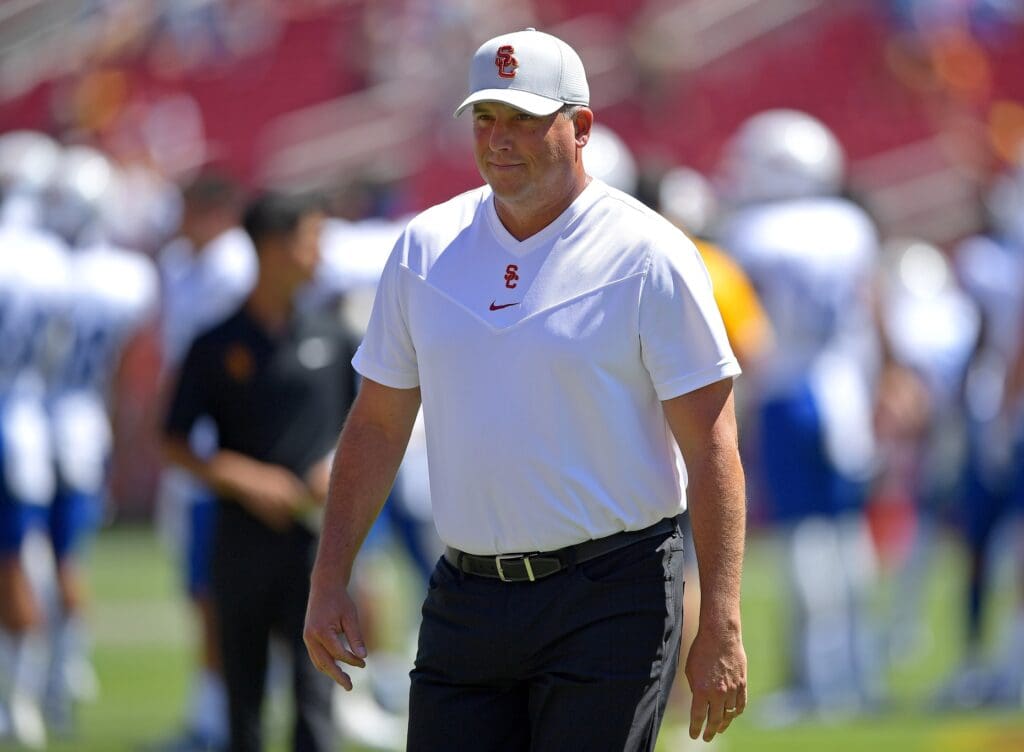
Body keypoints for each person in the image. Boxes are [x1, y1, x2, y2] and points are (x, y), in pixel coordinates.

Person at [304, 27, 748, 750]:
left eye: (524, 120)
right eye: (485, 118)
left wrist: (721, 620)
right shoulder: (424, 247)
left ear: (581, 129)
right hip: (467, 591)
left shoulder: (650, 254)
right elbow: (379, 423)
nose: (499, 139)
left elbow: (711, 441)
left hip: (612, 588)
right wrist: (330, 577)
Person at [163, 192, 358, 752]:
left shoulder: (335, 335)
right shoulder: (215, 343)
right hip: (241, 542)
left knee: (315, 701)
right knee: (242, 705)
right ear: (275, 247)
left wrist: (334, 466)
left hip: (317, 545)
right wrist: (243, 477)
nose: (320, 254)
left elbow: (365, 425)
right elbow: (173, 440)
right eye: (312, 239)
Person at [716, 109, 884, 721]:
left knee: (804, 539)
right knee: (847, 534)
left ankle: (820, 679)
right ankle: (856, 669)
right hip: (845, 393)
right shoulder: (851, 225)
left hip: (787, 391)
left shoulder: (750, 232)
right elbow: (871, 310)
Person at [153, 171, 256, 752]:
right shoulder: (184, 263)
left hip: (224, 452)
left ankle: (219, 717)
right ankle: (213, 711)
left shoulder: (233, 267)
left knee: (221, 590)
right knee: (200, 588)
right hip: (194, 451)